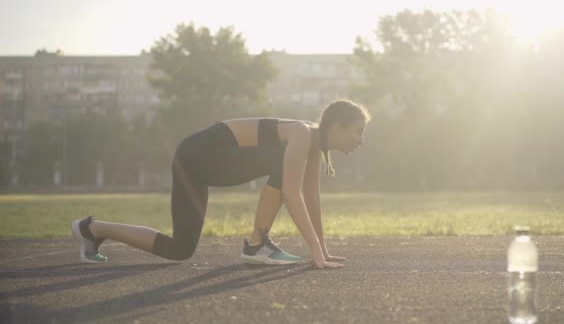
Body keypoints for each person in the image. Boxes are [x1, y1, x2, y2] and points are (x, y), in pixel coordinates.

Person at [71, 99, 371, 269]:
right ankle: (255, 244)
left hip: (201, 165)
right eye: (357, 132)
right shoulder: (302, 134)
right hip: (199, 155)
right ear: (336, 127)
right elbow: (292, 194)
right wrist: (315, 250)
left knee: (180, 249)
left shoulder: (312, 146)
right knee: (281, 161)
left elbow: (311, 198)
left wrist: (323, 249)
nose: (361, 141)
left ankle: (92, 229)